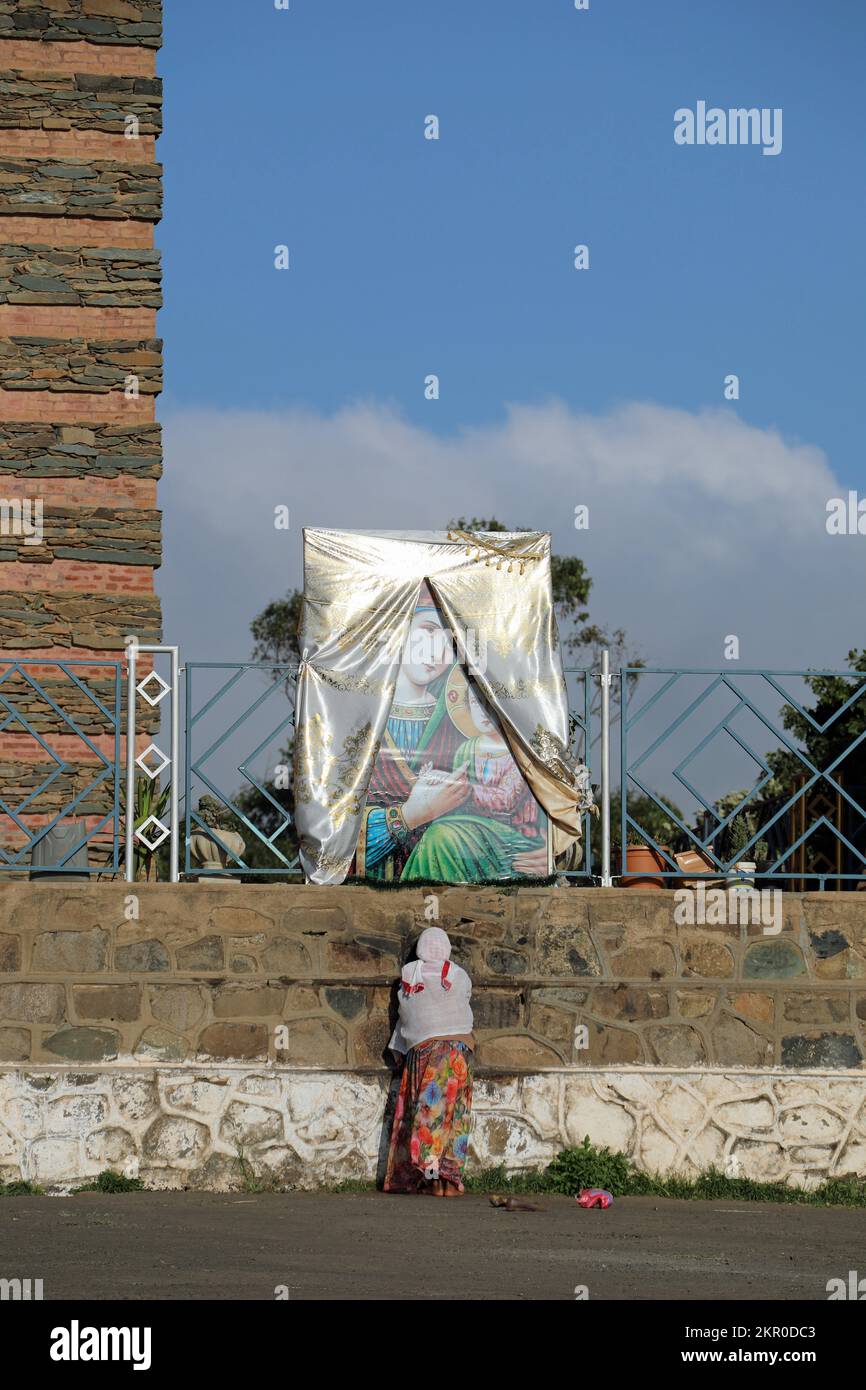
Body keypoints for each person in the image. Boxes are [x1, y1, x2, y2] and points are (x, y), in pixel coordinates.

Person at [383, 926, 474, 1197]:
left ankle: (431, 1178)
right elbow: (463, 1001)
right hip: (458, 1050)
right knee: (455, 1116)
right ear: (446, 950)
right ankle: (448, 1181)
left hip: (423, 1052)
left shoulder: (409, 976)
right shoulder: (459, 975)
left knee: (428, 1118)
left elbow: (406, 1014)